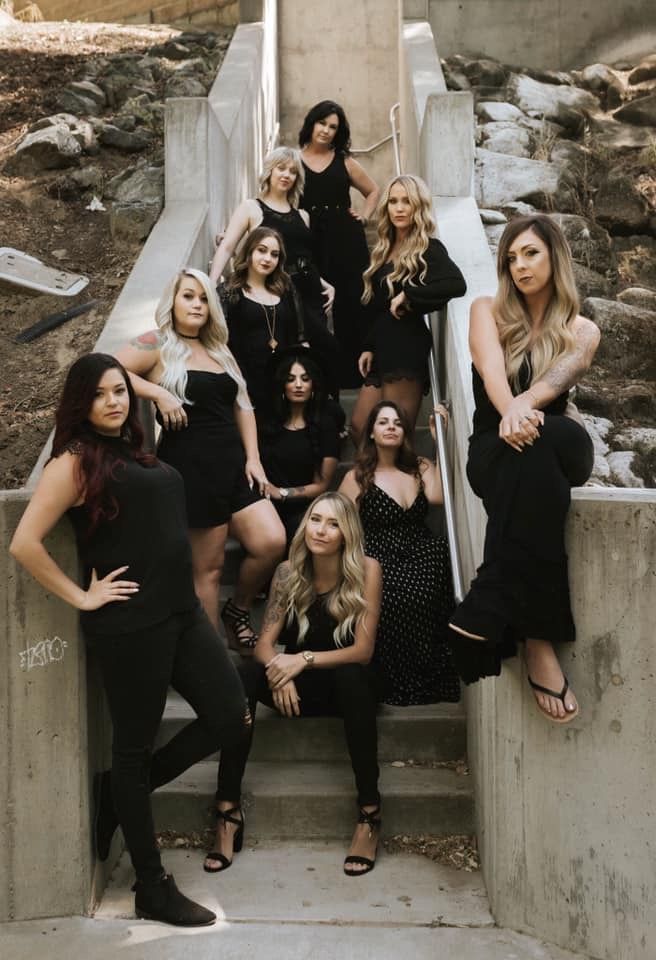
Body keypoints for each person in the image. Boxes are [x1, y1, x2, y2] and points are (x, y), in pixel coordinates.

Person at [9, 353, 250, 927]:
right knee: (133, 751)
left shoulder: (135, 451)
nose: (115, 401)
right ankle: (151, 885)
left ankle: (119, 796)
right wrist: (83, 597)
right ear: (80, 404)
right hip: (130, 626)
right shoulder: (73, 462)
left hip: (182, 614)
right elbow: (24, 543)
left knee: (231, 716)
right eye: (100, 394)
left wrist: (155, 392)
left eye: (120, 391)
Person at [447, 214, 600, 723]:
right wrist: (509, 411)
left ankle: (491, 593)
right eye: (511, 257)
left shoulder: (582, 329)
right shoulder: (486, 311)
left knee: (541, 441)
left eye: (531, 253)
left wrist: (525, 408)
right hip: (496, 449)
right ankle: (537, 638)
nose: (520, 266)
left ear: (554, 256)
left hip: (557, 441)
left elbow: (557, 382)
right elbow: (491, 372)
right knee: (528, 460)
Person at [205, 493, 383, 877]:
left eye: (333, 524)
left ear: (346, 534)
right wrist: (277, 672)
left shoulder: (368, 570)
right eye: (316, 519)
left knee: (355, 678)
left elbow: (363, 650)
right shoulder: (288, 572)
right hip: (297, 685)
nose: (321, 530)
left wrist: (300, 660)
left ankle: (369, 813)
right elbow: (264, 647)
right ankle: (226, 810)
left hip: (345, 685)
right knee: (244, 674)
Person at [115, 268, 286, 652]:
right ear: (172, 302)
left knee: (272, 540)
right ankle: (215, 671)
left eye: (204, 298)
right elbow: (107, 370)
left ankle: (238, 610)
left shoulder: (219, 349)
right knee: (206, 573)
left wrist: (254, 458)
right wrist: (159, 395)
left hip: (232, 467)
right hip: (191, 471)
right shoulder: (157, 342)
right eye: (188, 296)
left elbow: (243, 404)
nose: (197, 304)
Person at [340, 401, 461, 706]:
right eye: (383, 422)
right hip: (378, 555)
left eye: (397, 422)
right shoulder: (357, 477)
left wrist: (438, 440)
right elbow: (342, 526)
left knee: (435, 563)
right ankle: (395, 680)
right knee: (397, 597)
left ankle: (429, 676)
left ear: (405, 431)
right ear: (371, 432)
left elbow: (437, 496)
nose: (391, 427)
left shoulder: (420, 466)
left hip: (421, 551)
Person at [350, 174, 466, 443]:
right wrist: (368, 345)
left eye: (406, 201)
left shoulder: (428, 248)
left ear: (418, 207)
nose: (399, 208)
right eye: (393, 201)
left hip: (406, 348)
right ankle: (375, 484)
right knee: (360, 427)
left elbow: (456, 284)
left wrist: (409, 295)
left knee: (395, 436)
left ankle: (402, 484)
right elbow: (378, 307)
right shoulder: (384, 249)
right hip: (382, 348)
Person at [299, 100, 380, 388]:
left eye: (333, 127)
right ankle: (319, 373)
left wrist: (364, 217)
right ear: (311, 123)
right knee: (313, 302)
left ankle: (354, 373)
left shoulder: (345, 161)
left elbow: (372, 191)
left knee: (351, 301)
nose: (326, 130)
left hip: (346, 239)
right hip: (309, 240)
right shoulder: (293, 162)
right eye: (322, 123)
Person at [220, 226, 341, 415]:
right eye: (261, 250)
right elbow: (221, 342)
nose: (268, 258)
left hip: (281, 378)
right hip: (244, 377)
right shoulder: (230, 291)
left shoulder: (285, 289)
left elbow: (301, 338)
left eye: (274, 254)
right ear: (249, 251)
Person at [209, 146, 334, 325]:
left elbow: (301, 255)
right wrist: (211, 283)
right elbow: (227, 246)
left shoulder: (303, 216)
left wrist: (325, 284)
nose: (286, 175)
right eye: (281, 168)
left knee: (321, 348)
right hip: (274, 289)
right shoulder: (251, 208)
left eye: (293, 172)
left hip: (310, 289)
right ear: (270, 170)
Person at [260, 346, 340, 546]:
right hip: (265, 503)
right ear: (282, 385)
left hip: (303, 507)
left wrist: (283, 492)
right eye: (291, 379)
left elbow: (322, 485)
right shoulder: (267, 422)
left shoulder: (326, 425)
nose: (298, 385)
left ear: (314, 385)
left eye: (305, 379)